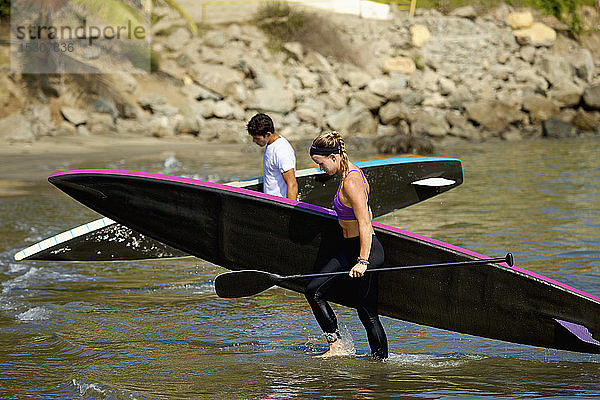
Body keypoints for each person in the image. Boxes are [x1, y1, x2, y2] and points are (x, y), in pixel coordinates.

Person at [306, 131, 388, 360]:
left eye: (321, 164)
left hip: (364, 252)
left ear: (333, 157)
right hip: (350, 248)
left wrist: (363, 261)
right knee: (314, 291)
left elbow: (365, 222)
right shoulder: (348, 174)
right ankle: (337, 345)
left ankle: (380, 363)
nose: (320, 169)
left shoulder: (351, 181)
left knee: (368, 314)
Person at [247, 113, 298, 200]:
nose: (254, 141)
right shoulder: (270, 144)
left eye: (257, 138)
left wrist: (290, 211)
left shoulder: (282, 151)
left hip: (280, 203)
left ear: (268, 134)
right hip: (271, 201)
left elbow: (292, 184)